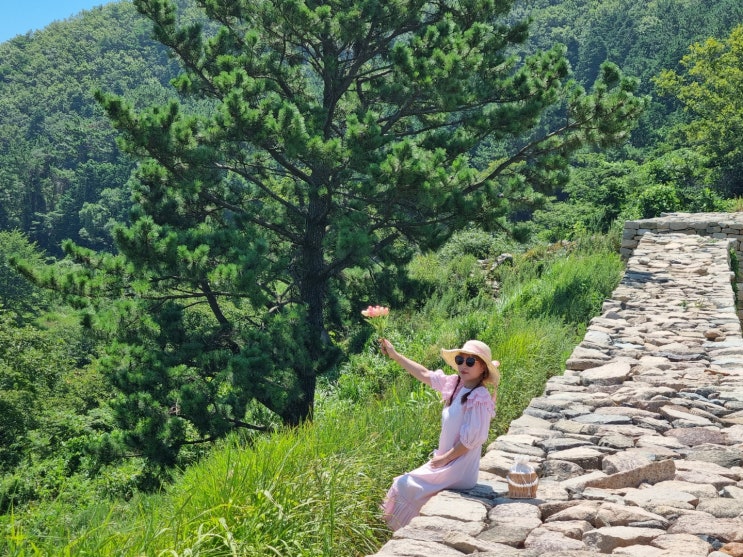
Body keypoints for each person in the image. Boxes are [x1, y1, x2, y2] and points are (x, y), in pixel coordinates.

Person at [379, 338, 499, 531]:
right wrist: (395, 355)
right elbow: (424, 374)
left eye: (470, 362)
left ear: (483, 369)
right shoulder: (457, 385)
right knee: (405, 485)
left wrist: (444, 459)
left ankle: (405, 531)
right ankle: (405, 531)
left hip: (459, 466)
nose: (463, 365)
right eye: (460, 359)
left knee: (404, 485)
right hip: (447, 461)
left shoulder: (479, 396)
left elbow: (471, 441)